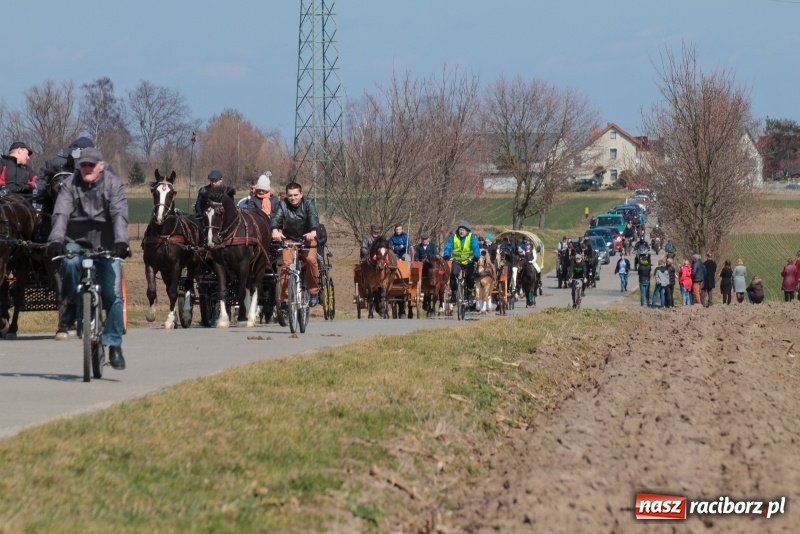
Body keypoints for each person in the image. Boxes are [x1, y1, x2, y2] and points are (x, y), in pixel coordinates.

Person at [46, 148, 130, 369]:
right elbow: (61, 213)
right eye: (83, 165)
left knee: (113, 294)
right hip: (76, 239)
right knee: (70, 261)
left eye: (91, 165)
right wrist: (55, 240)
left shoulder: (113, 184)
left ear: (101, 166)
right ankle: (72, 303)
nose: (87, 169)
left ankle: (113, 344)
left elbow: (119, 214)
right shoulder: (70, 185)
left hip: (108, 243)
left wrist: (122, 242)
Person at [270, 182, 320, 310]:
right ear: (286, 195)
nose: (293, 198)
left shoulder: (308, 203)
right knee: (286, 265)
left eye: (296, 195)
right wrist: (274, 230)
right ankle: (284, 299)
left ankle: (313, 291)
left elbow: (313, 217)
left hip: (307, 237)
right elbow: (275, 218)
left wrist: (313, 231)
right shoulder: (282, 204)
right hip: (290, 239)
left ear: (301, 194)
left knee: (310, 260)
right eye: (290, 195)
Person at [442, 220, 480, 304]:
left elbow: (476, 247)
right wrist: (446, 254)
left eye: (463, 230)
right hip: (457, 261)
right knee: (453, 274)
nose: (461, 231)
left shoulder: (471, 237)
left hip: (469, 261)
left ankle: (470, 294)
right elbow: (448, 246)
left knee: (470, 277)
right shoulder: (454, 236)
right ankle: (454, 293)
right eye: (460, 230)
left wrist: (476, 256)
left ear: (466, 230)